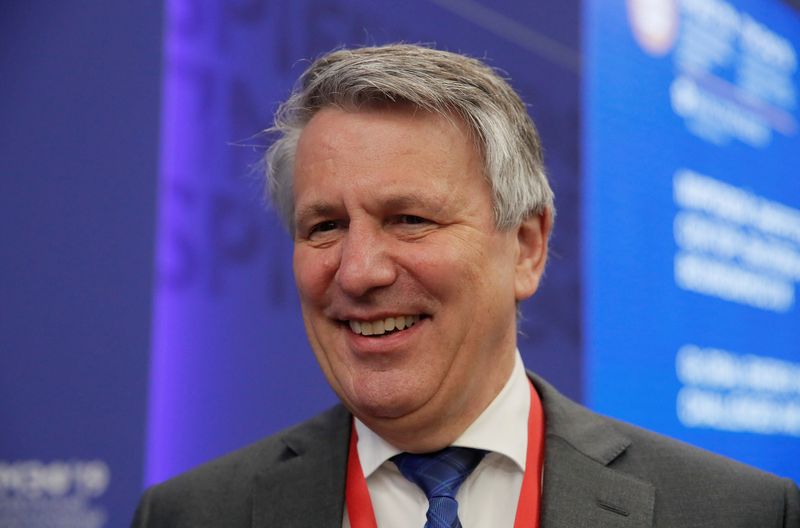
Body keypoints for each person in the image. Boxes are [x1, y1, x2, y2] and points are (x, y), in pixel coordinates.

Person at [132, 44, 799, 527]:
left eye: (411, 220)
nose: (360, 271)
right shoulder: (190, 515)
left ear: (528, 248)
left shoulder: (739, 513)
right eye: (325, 226)